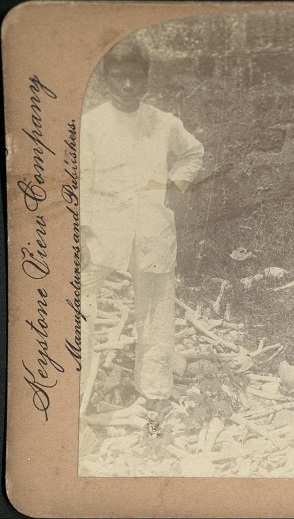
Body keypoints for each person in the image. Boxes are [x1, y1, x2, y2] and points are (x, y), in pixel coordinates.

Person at [82, 40, 205, 413]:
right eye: (120, 78)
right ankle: (76, 386)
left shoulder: (162, 122)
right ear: (107, 79)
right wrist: (83, 230)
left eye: (136, 79)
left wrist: (169, 185)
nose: (128, 87)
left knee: (155, 308)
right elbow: (79, 179)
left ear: (146, 80)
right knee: (79, 301)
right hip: (102, 231)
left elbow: (193, 153)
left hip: (151, 229)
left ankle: (154, 390)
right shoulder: (90, 124)